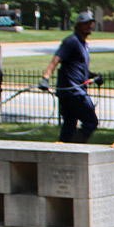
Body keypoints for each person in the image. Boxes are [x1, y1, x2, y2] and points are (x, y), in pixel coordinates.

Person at [39, 10, 104, 143]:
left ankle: (63, 151)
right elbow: (56, 59)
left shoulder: (83, 44)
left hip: (72, 92)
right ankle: (75, 149)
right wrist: (45, 78)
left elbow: (78, 67)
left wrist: (94, 76)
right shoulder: (71, 41)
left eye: (91, 23)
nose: (89, 26)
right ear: (78, 26)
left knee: (69, 126)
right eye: (86, 23)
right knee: (91, 122)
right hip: (73, 92)